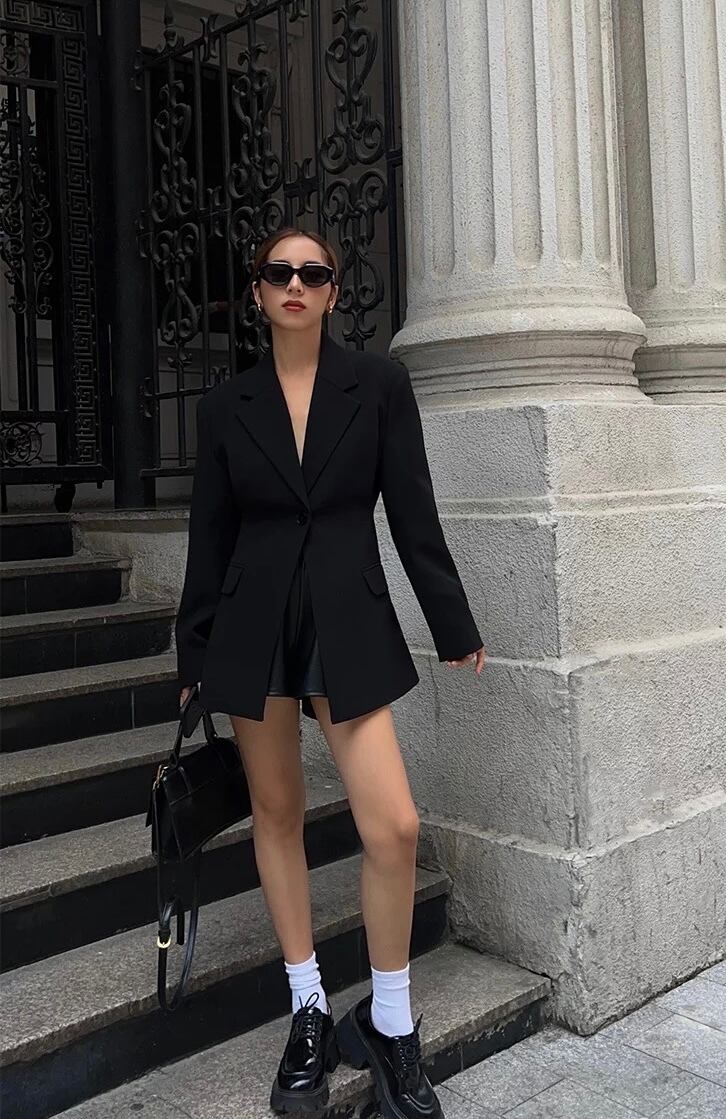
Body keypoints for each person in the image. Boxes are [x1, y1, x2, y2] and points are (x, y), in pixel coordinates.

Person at [175, 227, 485, 1119]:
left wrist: (452, 620)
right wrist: (193, 654)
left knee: (394, 825)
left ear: (334, 292)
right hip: (252, 625)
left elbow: (413, 510)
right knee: (276, 812)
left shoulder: (378, 385)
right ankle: (308, 1005)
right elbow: (209, 535)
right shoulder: (226, 406)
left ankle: (388, 1020)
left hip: (346, 621)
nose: (296, 284)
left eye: (313, 273)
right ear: (258, 293)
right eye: (280, 273)